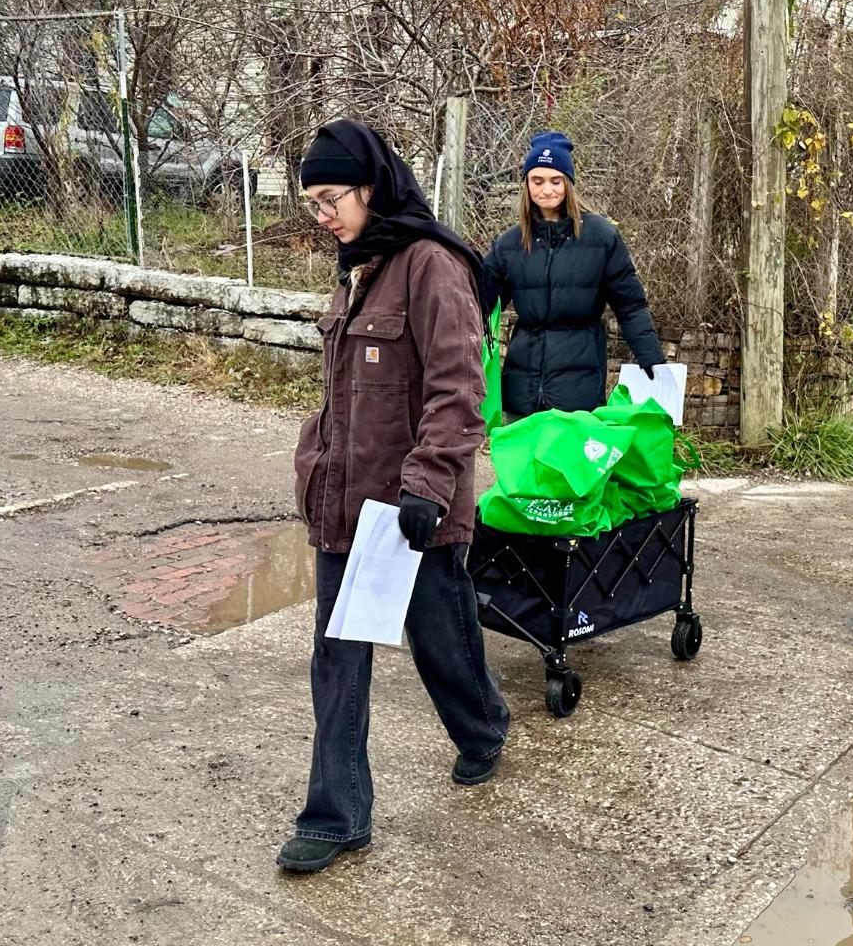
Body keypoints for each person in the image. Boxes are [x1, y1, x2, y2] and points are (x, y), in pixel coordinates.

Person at [281, 119, 511, 874]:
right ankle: (338, 814)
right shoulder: (359, 265)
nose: (323, 216)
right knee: (337, 658)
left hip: (413, 511)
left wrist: (428, 484)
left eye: (330, 199)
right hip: (347, 508)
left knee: (441, 640)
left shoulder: (431, 265)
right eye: (311, 202)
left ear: (372, 186)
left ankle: (482, 728)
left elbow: (459, 387)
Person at [484, 131, 666, 420]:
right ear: (527, 183)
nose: (546, 190)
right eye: (537, 181)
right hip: (522, 392)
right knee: (523, 466)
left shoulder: (602, 238)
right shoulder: (509, 244)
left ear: (568, 183)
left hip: (578, 395)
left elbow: (630, 306)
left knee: (569, 465)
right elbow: (478, 303)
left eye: (555, 181)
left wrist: (651, 357)